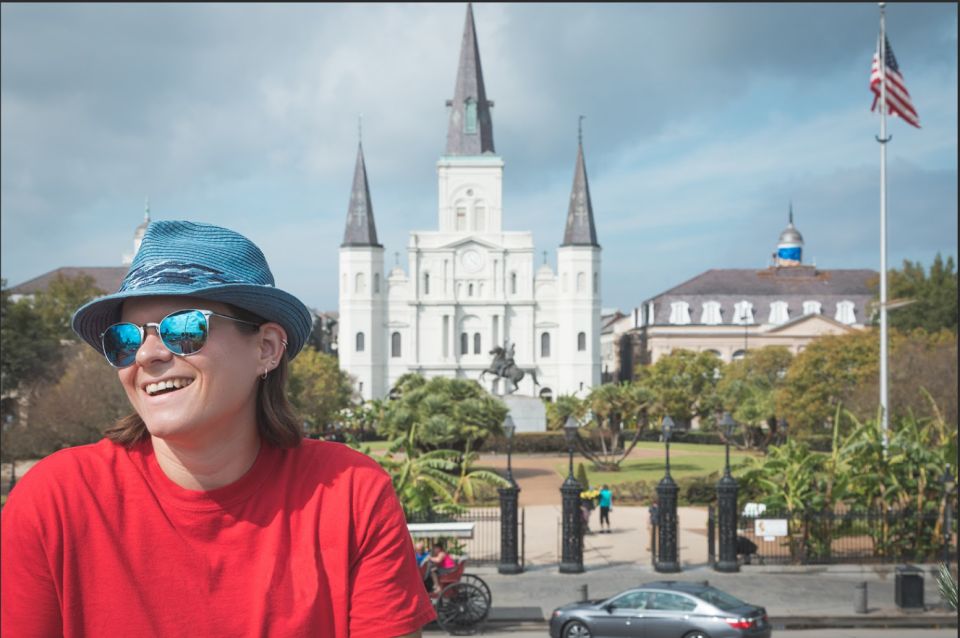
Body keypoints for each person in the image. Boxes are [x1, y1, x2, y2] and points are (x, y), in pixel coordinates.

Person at [0, 220, 435, 638]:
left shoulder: (351, 495)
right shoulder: (55, 502)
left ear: (266, 348)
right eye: (125, 339)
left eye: (183, 328)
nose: (147, 355)